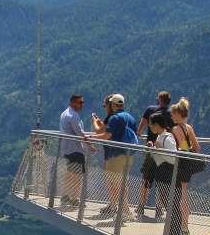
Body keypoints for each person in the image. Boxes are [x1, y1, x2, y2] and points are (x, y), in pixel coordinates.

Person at [89, 93, 139, 221]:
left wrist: (90, 137)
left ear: (112, 104)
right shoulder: (130, 117)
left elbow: (106, 135)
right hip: (129, 155)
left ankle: (126, 212)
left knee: (114, 184)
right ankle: (124, 210)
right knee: (122, 183)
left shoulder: (115, 118)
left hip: (116, 155)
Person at [169, 98, 201, 235]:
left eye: (172, 114)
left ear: (178, 114)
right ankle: (185, 224)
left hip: (179, 164)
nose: (171, 116)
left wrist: (179, 149)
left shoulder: (176, 129)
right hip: (188, 164)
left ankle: (183, 225)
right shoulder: (189, 127)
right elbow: (196, 147)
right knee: (184, 193)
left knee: (179, 195)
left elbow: (181, 148)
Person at [137, 113, 177, 220]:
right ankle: (172, 222)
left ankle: (174, 223)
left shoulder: (167, 138)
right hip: (162, 171)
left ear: (157, 125)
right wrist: (153, 148)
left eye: (151, 124)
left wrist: (158, 150)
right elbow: (160, 154)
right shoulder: (160, 136)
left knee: (167, 197)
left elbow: (173, 158)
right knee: (164, 197)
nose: (149, 126)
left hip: (167, 171)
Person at [58, 94, 93, 208]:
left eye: (82, 102)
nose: (82, 105)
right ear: (73, 102)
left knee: (70, 174)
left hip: (67, 148)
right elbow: (80, 133)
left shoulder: (64, 113)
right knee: (77, 176)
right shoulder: (73, 116)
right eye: (79, 102)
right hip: (75, 150)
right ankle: (74, 199)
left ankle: (66, 196)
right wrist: (90, 146)